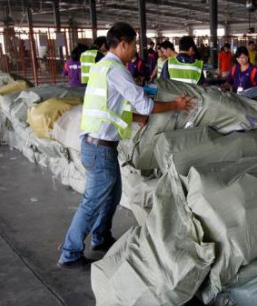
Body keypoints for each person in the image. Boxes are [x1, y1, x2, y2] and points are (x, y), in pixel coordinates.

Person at [57, 22, 194, 270]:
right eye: (133, 45)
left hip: (98, 145)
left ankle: (101, 238)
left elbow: (111, 108)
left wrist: (138, 119)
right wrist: (175, 105)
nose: (135, 50)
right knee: (93, 201)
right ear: (123, 43)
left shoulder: (102, 68)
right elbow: (145, 105)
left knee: (112, 195)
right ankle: (70, 253)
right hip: (99, 148)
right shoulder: (117, 70)